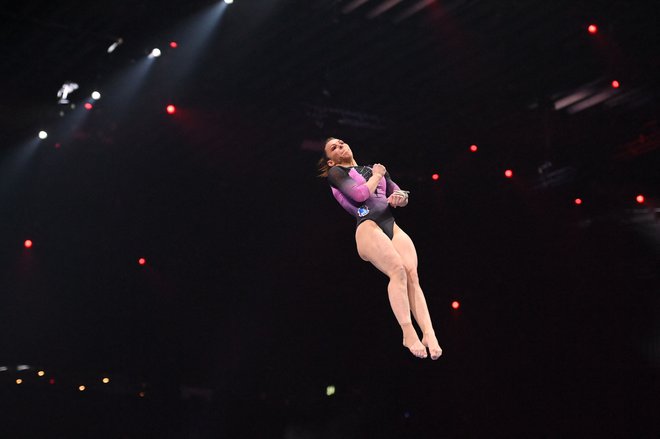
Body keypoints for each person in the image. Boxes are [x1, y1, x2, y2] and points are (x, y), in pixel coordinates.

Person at [318, 137, 442, 360]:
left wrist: (398, 197)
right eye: (333, 148)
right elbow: (359, 195)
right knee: (397, 270)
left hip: (390, 223)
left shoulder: (373, 168)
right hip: (368, 226)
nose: (340, 146)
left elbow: (401, 195)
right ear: (330, 162)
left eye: (341, 142)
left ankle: (429, 333)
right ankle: (407, 331)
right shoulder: (336, 175)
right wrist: (377, 175)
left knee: (412, 276)